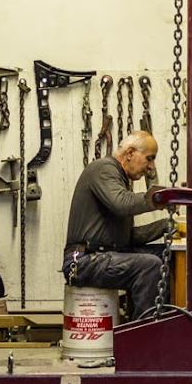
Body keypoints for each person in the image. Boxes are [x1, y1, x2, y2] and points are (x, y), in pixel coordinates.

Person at [61, 130, 172, 320]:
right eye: (149, 158)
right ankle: (146, 332)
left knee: (168, 255)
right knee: (150, 266)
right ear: (130, 153)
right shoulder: (104, 169)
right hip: (82, 262)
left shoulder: (119, 179)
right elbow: (121, 204)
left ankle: (165, 321)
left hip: (104, 255)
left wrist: (166, 226)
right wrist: (157, 198)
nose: (151, 167)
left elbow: (128, 237)